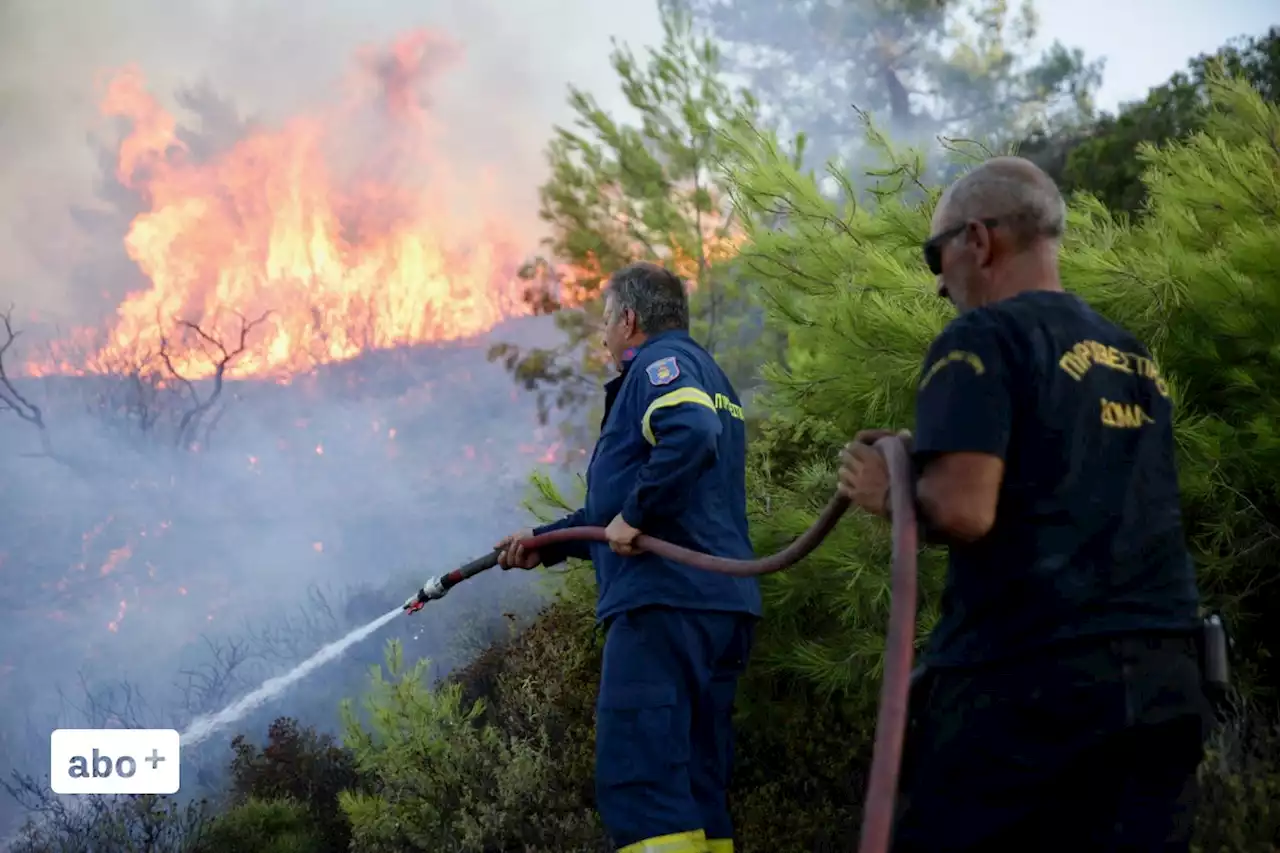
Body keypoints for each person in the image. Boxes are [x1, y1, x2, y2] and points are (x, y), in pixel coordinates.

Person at [838, 156, 1213, 852]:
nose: (938, 283)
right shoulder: (1130, 356)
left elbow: (964, 509)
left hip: (1030, 695)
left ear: (978, 241)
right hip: (1164, 685)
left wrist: (888, 490)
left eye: (935, 254)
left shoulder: (981, 337)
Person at [495, 261, 761, 853]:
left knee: (640, 781)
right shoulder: (708, 374)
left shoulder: (659, 368)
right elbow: (620, 513)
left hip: (664, 607)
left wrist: (635, 514)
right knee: (695, 783)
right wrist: (545, 545)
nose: (602, 333)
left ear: (630, 319)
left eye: (606, 320)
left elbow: (688, 436)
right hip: (714, 607)